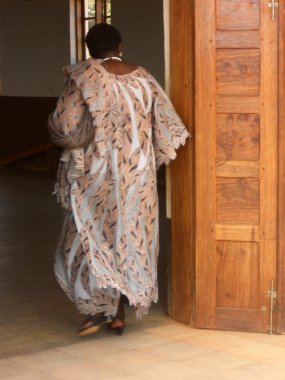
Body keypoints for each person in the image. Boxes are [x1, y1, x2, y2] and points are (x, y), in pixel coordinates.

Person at [48, 23, 190, 337]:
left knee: (89, 237)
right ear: (120, 45)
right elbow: (169, 127)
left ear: (89, 49)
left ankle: (102, 308)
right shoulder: (144, 77)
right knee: (129, 237)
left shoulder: (84, 76)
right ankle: (118, 312)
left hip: (96, 175)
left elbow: (65, 127)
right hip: (139, 175)